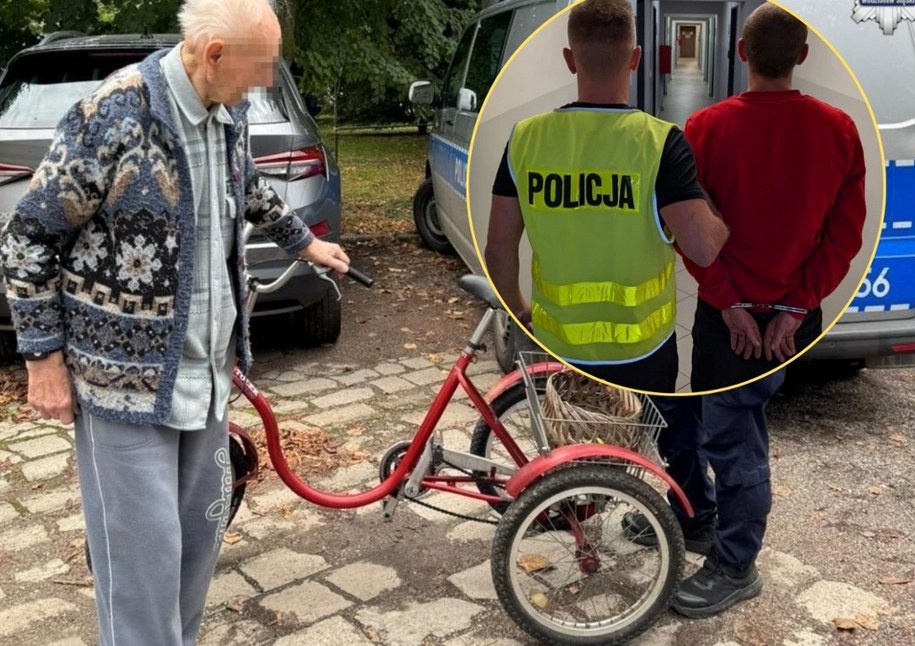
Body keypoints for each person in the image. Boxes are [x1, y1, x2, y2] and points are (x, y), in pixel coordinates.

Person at [0, 1, 351, 643]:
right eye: (257, 68)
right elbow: (27, 238)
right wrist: (43, 361)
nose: (264, 83)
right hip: (122, 386)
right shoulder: (114, 115)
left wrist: (304, 243)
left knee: (195, 547)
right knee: (143, 563)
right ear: (213, 54)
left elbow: (245, 185)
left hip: (208, 375)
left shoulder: (228, 111)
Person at [626, 3, 867, 619]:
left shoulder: (704, 129)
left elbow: (687, 231)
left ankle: (736, 565)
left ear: (739, 53)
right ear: (802, 57)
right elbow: (844, 236)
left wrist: (730, 302)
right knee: (720, 425)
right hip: (792, 319)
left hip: (723, 315)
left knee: (731, 436)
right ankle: (699, 517)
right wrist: (794, 308)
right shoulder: (839, 130)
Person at [484, 0, 729, 394]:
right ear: (635, 58)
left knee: (566, 453)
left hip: (555, 350)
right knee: (639, 455)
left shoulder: (524, 139)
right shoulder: (660, 143)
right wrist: (713, 209)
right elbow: (704, 248)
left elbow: (498, 248)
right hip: (642, 356)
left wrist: (518, 309)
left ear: (569, 59)